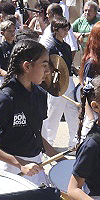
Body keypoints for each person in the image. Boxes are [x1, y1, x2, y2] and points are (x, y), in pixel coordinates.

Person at [0, 39, 57, 185]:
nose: (48, 71)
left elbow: (35, 136)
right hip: (11, 169)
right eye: (44, 65)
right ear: (27, 66)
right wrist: (21, 164)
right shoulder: (6, 98)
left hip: (35, 167)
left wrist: (60, 159)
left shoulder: (40, 94)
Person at [41, 16, 80, 148]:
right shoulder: (50, 47)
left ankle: (74, 143)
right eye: (63, 29)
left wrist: (76, 70)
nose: (66, 31)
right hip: (56, 83)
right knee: (53, 114)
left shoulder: (67, 47)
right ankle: (47, 144)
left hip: (69, 81)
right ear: (55, 29)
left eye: (67, 28)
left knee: (73, 112)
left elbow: (68, 65)